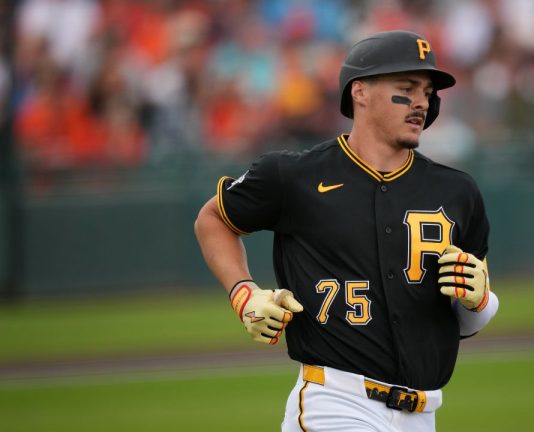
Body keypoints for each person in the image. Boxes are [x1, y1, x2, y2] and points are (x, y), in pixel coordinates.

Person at [194, 30, 499, 432]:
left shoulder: (457, 191)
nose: (422, 102)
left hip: (423, 416)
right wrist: (244, 293)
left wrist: (479, 302)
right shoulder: (295, 175)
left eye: (427, 91)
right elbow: (213, 219)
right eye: (406, 88)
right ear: (360, 92)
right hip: (335, 402)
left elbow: (462, 324)